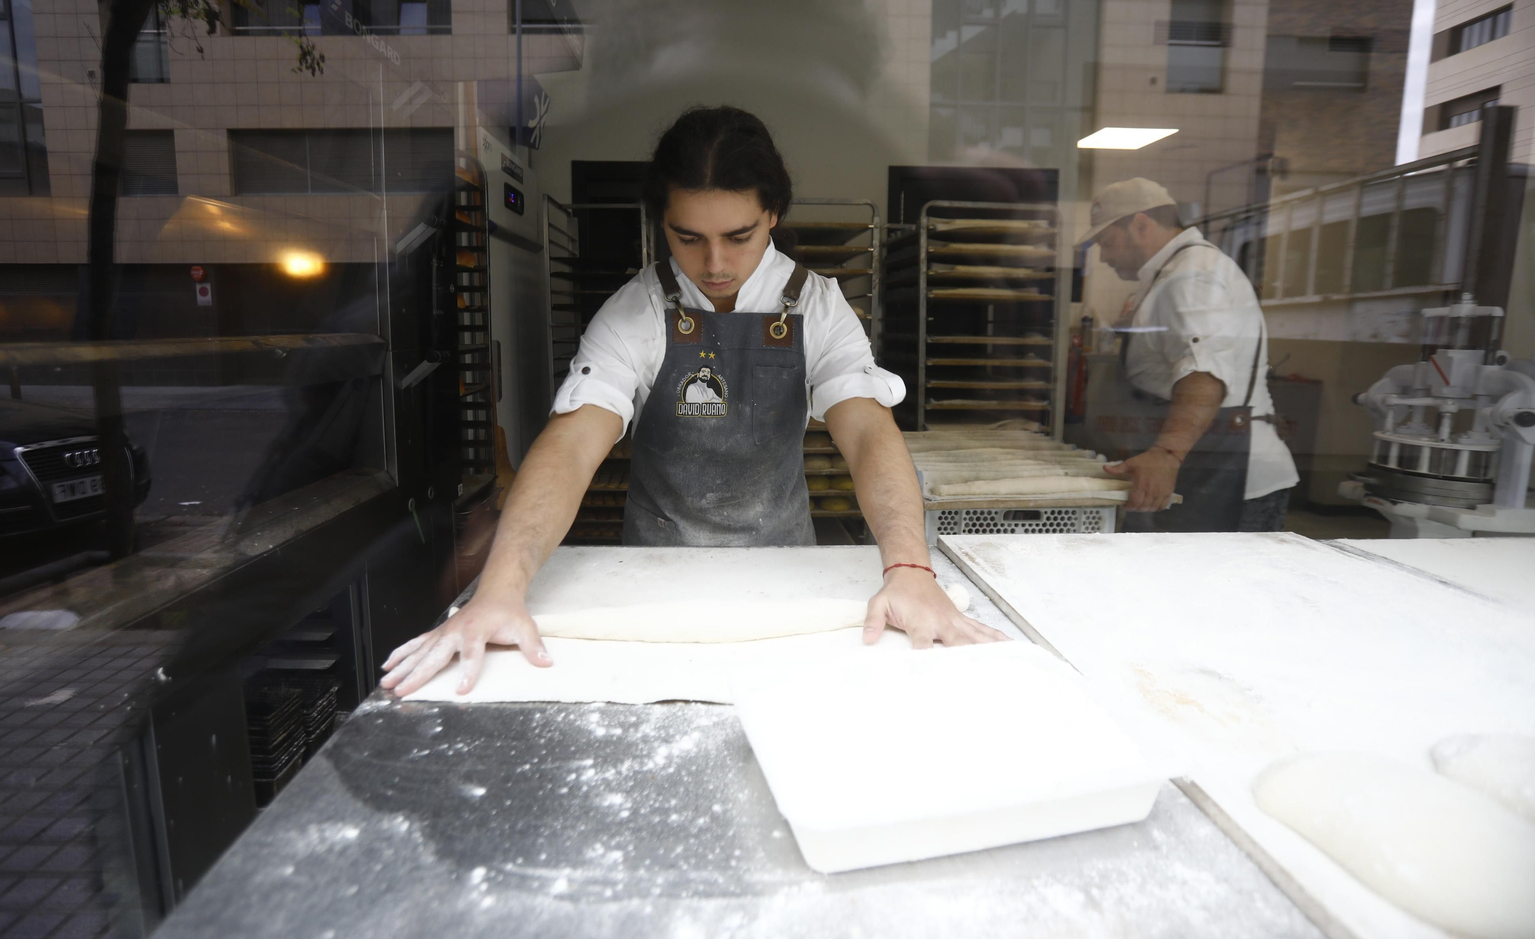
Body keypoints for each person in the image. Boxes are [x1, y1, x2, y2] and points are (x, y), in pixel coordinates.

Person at [382, 106, 1003, 696]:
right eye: (687, 238)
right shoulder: (637, 312)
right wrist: (499, 589)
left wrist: (910, 571)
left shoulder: (816, 305)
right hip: (653, 580)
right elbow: (571, 446)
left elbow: (868, 432)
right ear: (662, 224)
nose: (714, 263)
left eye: (738, 236)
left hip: (786, 576)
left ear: (774, 215)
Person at [1078, 178, 1298, 533]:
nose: (1103, 256)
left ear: (1140, 224)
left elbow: (1204, 370)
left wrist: (1167, 454)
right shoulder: (1183, 270)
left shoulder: (1189, 278)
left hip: (1228, 473)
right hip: (1210, 462)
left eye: (1106, 241)